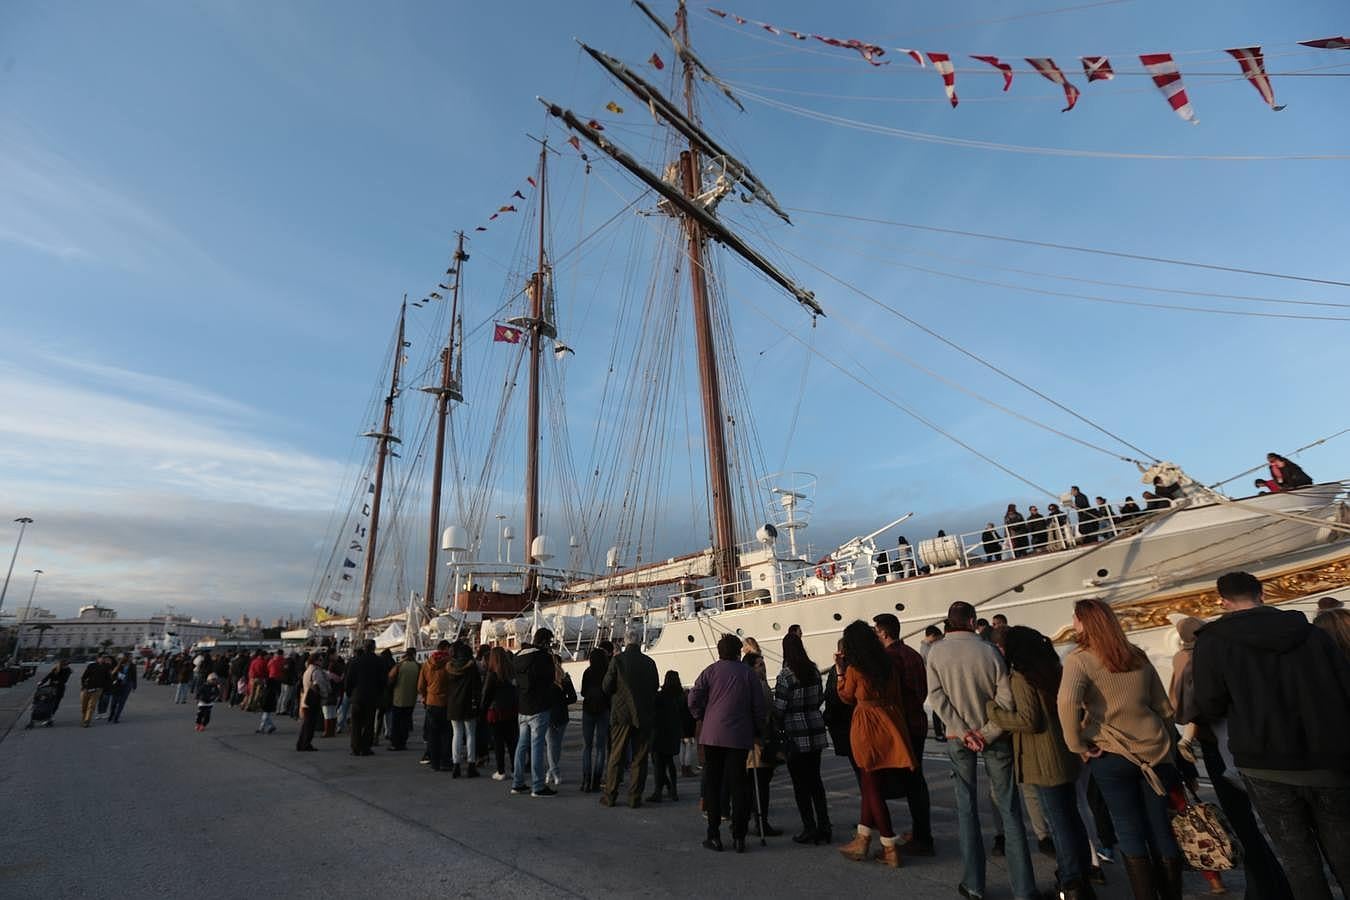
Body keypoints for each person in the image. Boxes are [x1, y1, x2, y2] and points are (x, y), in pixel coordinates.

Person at [1193, 572, 1350, 900]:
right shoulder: (1309, 632)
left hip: (1263, 761)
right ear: (1262, 594)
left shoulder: (1212, 642)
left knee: (1299, 862)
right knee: (1344, 854)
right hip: (1326, 756)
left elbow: (1209, 703)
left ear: (1222, 600)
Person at [1058, 598, 1183, 900]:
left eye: (1075, 619)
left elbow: (1066, 703)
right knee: (1161, 829)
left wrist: (1078, 745)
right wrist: (1172, 752)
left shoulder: (1080, 659)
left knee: (1128, 830)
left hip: (1111, 752)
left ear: (1083, 622)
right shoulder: (1136, 655)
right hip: (1154, 751)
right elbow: (1164, 707)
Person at [1171, 615, 1292, 900]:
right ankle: (1274, 883)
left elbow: (1183, 708)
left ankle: (1264, 886)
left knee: (1243, 823)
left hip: (1218, 747)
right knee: (1275, 819)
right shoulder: (1233, 651)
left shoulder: (1187, 660)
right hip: (1258, 742)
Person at [928, 600, 1038, 900]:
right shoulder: (989, 651)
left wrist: (964, 733)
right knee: (1009, 809)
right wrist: (986, 733)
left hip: (956, 737)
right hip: (995, 736)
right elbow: (1006, 701)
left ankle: (974, 885)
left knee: (966, 810)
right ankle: (1025, 890)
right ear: (973, 621)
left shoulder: (936, 652)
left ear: (949, 622)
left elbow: (936, 698)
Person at [990, 626, 1095, 900]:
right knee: (1071, 817)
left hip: (1043, 759)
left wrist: (994, 711)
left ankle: (1071, 883)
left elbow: (1028, 720)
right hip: (1064, 753)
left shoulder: (1022, 678)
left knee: (1059, 823)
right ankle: (1083, 873)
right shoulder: (1053, 668)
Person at [834, 620, 916, 869]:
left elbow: (846, 696)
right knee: (873, 785)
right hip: (890, 722)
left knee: (871, 787)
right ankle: (862, 838)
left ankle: (889, 846)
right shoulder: (887, 664)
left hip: (867, 726)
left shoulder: (855, 669)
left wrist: (840, 671)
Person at [688, 633, 766, 853]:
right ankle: (739, 836)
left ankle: (713, 835)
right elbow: (758, 705)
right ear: (738, 652)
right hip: (739, 736)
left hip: (712, 735)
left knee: (713, 784)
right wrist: (758, 728)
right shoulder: (748, 674)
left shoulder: (710, 671)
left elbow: (693, 697)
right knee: (739, 785)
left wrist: (701, 715)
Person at [872, 613, 934, 856]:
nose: (876, 636)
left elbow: (886, 694)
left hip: (902, 726)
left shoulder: (889, 659)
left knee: (910, 783)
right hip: (918, 721)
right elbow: (923, 689)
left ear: (885, 633)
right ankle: (921, 832)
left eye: (877, 632)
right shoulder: (913, 655)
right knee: (917, 780)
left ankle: (920, 839)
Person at [774, 632, 831, 845]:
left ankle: (809, 827)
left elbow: (780, 707)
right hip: (815, 731)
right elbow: (819, 698)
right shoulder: (814, 670)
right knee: (816, 781)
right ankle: (825, 826)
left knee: (800, 784)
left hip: (795, 734)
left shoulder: (786, 675)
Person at [599, 626, 659, 808]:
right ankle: (634, 797)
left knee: (616, 755)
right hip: (644, 714)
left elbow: (607, 686)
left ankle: (610, 795)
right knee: (640, 758)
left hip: (621, 714)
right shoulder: (649, 662)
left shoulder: (618, 661)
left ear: (625, 641)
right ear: (639, 641)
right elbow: (655, 685)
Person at [512, 628, 559, 798]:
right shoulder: (543, 657)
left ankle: (517, 783)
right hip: (539, 707)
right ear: (545, 641)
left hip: (523, 706)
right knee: (537, 746)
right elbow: (550, 680)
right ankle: (537, 785)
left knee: (522, 745)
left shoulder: (518, 656)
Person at [742, 652, 782, 837]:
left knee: (758, 781)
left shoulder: (758, 685)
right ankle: (760, 821)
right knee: (760, 783)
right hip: (759, 740)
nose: (763, 668)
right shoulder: (756, 686)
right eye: (759, 665)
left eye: (763, 664)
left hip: (761, 738)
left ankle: (754, 818)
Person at [649, 670, 689, 803]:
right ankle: (673, 790)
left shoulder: (660, 696)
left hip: (660, 732)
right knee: (669, 762)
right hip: (674, 732)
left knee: (657, 762)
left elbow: (654, 713)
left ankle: (659, 790)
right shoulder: (681, 696)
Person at [445, 640, 483, 777]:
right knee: (470, 734)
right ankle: (471, 764)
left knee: (456, 734)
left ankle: (456, 765)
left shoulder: (449, 667)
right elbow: (477, 687)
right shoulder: (472, 668)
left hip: (453, 704)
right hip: (468, 704)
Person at [482, 646, 519, 781]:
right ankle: (516, 769)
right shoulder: (512, 673)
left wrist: (483, 709)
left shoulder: (492, 674)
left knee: (498, 743)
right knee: (512, 742)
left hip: (496, 712)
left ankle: (501, 770)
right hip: (511, 711)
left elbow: (486, 694)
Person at [345, 640, 385, 757]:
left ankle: (355, 747)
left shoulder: (355, 661)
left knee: (356, 723)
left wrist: (349, 693)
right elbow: (382, 680)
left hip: (357, 696)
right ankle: (365, 747)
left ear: (364, 647)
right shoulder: (378, 661)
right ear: (374, 648)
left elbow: (349, 679)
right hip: (372, 696)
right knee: (369, 723)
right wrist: (380, 694)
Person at [579, 647, 611, 793]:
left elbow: (584, 692)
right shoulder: (607, 672)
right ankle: (596, 781)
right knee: (600, 747)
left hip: (588, 710)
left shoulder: (587, 672)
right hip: (604, 710)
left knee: (587, 746)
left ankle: (586, 779)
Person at [419, 640, 452, 771]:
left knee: (433, 734)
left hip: (431, 702)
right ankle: (445, 761)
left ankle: (434, 762)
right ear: (446, 649)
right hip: (446, 702)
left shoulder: (427, 664)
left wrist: (425, 696)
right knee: (446, 734)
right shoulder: (449, 663)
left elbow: (420, 685)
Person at [545, 655, 576, 787]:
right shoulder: (565, 679)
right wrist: (562, 702)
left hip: (548, 716)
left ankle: (552, 772)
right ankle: (553, 772)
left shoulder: (544, 679)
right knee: (556, 746)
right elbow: (573, 697)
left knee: (551, 746)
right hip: (562, 715)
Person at [387, 647, 420, 751]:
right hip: (411, 699)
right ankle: (403, 742)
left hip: (398, 698)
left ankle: (395, 743)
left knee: (396, 723)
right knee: (406, 722)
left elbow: (390, 677)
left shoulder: (400, 665)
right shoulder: (417, 666)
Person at [296, 653, 330, 751]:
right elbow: (320, 684)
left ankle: (301, 743)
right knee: (310, 724)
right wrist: (325, 694)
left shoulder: (307, 670)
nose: (321, 662)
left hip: (306, 699)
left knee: (306, 724)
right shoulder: (316, 671)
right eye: (320, 660)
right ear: (315, 661)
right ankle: (306, 744)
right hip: (312, 700)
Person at [29, 660, 72, 727]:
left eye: (67, 665)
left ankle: (49, 718)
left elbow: (64, 679)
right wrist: (41, 682)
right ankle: (42, 718)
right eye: (65, 664)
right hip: (51, 689)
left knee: (55, 705)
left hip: (59, 689)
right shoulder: (56, 669)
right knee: (47, 703)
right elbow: (49, 676)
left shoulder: (68, 670)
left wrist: (58, 682)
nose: (66, 666)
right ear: (62, 664)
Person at [107, 654, 137, 724]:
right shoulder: (119, 664)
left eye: (132, 657)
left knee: (122, 702)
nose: (132, 658)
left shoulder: (133, 665)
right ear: (126, 658)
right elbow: (112, 674)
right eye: (131, 657)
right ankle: (111, 714)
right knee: (114, 702)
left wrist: (134, 686)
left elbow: (134, 676)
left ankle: (116, 718)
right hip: (117, 685)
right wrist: (116, 677)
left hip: (127, 685)